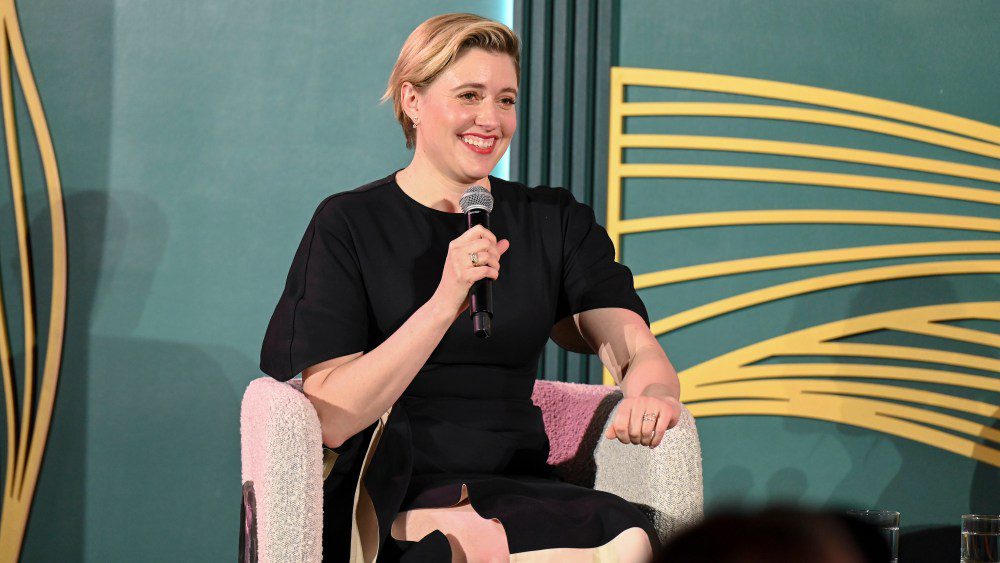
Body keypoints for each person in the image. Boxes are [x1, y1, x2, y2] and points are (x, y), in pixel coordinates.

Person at [260, 12, 683, 562]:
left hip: (518, 481)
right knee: (471, 546)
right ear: (412, 100)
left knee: (630, 543)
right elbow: (334, 417)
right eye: (470, 95)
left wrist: (651, 394)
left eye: (506, 100)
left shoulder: (550, 219)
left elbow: (631, 344)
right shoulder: (351, 223)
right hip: (394, 484)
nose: (491, 119)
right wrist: (443, 302)